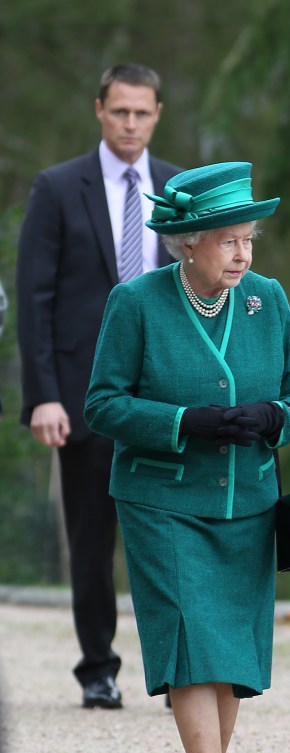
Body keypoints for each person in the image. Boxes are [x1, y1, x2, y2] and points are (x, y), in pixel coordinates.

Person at [84, 161, 290, 753]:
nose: (243, 254)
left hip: (247, 500)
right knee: (190, 643)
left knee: (233, 658)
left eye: (248, 239)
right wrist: (187, 422)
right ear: (187, 244)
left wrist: (271, 416)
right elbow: (103, 405)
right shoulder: (136, 302)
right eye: (228, 241)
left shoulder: (266, 301)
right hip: (162, 500)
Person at [16, 63, 181, 710]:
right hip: (84, 396)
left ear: (158, 113)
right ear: (99, 110)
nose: (131, 124)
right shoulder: (58, 188)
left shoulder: (175, 188)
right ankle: (98, 668)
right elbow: (36, 298)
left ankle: (178, 669)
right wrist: (42, 395)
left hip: (166, 398)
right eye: (120, 112)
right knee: (92, 539)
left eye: (142, 113)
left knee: (170, 538)